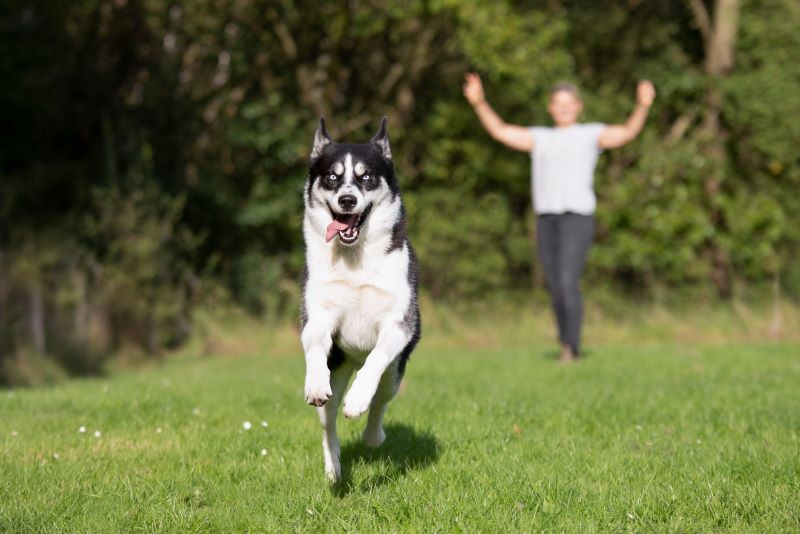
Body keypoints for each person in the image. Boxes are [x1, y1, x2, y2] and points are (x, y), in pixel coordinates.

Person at [463, 73, 655, 363]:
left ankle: (571, 348)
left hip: (577, 217)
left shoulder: (590, 134)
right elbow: (500, 131)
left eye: (568, 103)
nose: (563, 108)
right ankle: (565, 341)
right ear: (550, 108)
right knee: (554, 285)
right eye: (557, 103)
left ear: (578, 106)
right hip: (547, 219)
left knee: (568, 281)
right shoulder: (541, 138)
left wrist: (642, 106)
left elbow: (627, 132)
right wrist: (479, 103)